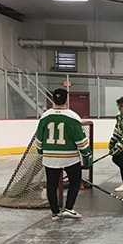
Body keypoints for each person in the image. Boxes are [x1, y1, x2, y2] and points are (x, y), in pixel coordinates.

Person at [35, 88, 92, 220]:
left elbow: (39, 140)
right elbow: (81, 141)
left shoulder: (45, 116)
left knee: (52, 185)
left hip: (50, 158)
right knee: (75, 182)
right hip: (70, 158)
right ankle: (69, 208)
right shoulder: (73, 117)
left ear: (53, 99)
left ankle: (55, 213)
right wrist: (86, 155)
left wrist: (41, 153)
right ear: (67, 99)